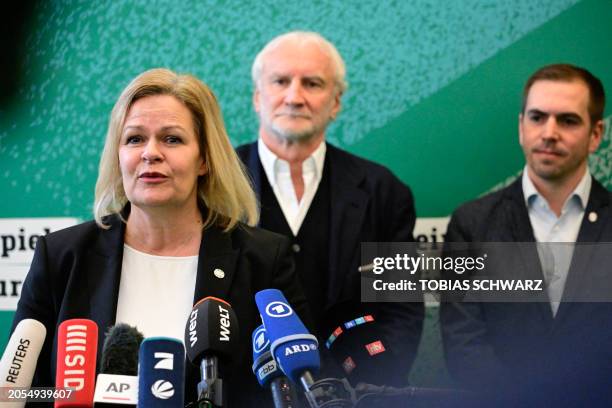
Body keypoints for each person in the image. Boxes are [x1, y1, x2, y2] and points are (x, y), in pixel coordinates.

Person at [12, 68, 310, 407]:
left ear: (204, 160)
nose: (150, 153)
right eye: (135, 139)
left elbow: (294, 389)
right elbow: (21, 390)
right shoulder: (63, 256)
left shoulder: (262, 259)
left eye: (172, 139)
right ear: (118, 155)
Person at [237, 31, 423, 386]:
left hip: (356, 394)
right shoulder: (212, 184)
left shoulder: (384, 191)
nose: (295, 97)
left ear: (336, 102)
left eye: (312, 83)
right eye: (280, 81)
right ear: (258, 97)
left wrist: (373, 389)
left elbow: (402, 310)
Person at [440, 64, 612, 406]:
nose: (549, 132)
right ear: (521, 127)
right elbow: (463, 342)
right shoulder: (472, 223)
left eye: (567, 120)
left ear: (596, 134)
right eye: (537, 117)